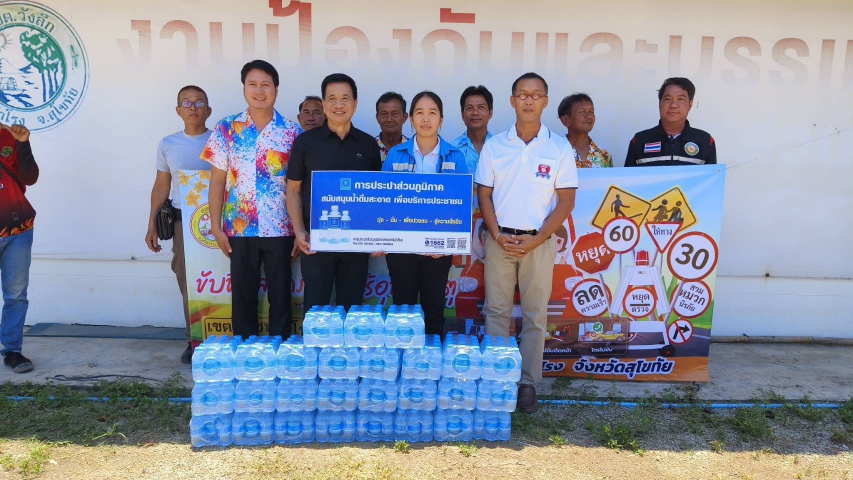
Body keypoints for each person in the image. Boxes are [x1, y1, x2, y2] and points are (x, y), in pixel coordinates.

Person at [475, 72, 578, 414]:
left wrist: (538, 239)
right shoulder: (495, 145)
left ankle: (527, 383)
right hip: (499, 240)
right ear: (512, 100)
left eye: (536, 95)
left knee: (535, 315)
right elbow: (484, 194)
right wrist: (496, 234)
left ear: (545, 101)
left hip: (539, 242)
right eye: (522, 94)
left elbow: (566, 201)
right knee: (496, 312)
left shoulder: (559, 148)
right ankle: (497, 380)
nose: (529, 100)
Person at [202, 60, 302, 339]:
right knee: (243, 295)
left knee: (281, 295)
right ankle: (245, 350)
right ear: (244, 88)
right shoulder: (226, 128)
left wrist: (300, 230)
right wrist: (216, 227)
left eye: (265, 85)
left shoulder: (292, 132)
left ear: (276, 90)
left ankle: (280, 348)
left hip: (281, 227)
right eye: (252, 84)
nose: (259, 91)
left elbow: (299, 187)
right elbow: (217, 181)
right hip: (239, 227)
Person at [287, 73, 382, 311]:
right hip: (316, 242)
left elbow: (377, 196)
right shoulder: (305, 143)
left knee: (352, 309)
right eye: (332, 98)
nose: (338, 104)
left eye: (345, 98)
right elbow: (294, 189)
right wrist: (299, 230)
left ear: (355, 104)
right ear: (324, 103)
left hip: (356, 244)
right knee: (315, 309)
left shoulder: (368, 144)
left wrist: (378, 235)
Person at [381, 91, 468, 336]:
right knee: (403, 310)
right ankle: (405, 358)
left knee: (434, 308)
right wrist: (381, 237)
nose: (426, 119)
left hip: (437, 250)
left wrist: (448, 244)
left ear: (441, 120)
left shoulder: (455, 156)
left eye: (432, 113)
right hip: (401, 248)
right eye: (420, 113)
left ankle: (432, 359)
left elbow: (462, 206)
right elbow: (384, 201)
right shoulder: (396, 154)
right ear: (411, 119)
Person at [145, 85, 213, 363]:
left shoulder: (221, 141)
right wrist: (151, 224)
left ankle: (225, 334)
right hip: (183, 222)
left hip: (219, 222)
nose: (193, 107)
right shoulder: (168, 144)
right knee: (189, 280)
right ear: (178, 111)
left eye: (199, 102)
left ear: (209, 110)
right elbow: (162, 186)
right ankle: (193, 338)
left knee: (224, 277)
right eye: (187, 102)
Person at [0, 122, 37, 373]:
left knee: (16, 295)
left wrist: (23, 145)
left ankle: (12, 351)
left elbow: (30, 178)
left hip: (17, 230)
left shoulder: (10, 136)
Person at [624, 77, 717, 167]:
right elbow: (628, 177)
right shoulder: (639, 140)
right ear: (660, 104)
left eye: (681, 99)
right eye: (668, 99)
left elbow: (713, 177)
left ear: (690, 105)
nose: (673, 105)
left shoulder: (706, 141)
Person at [557, 93, 612, 168]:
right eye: (582, 112)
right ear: (565, 120)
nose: (589, 116)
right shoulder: (554, 151)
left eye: (591, 112)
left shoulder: (604, 156)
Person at [453, 85, 494, 173]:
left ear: (490, 113)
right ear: (462, 115)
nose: (475, 112)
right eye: (469, 108)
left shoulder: (500, 147)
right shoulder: (452, 150)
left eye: (481, 107)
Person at [374, 91, 408, 163]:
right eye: (384, 114)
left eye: (395, 113)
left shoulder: (413, 148)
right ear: (377, 118)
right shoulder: (368, 147)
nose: (389, 119)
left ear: (405, 117)